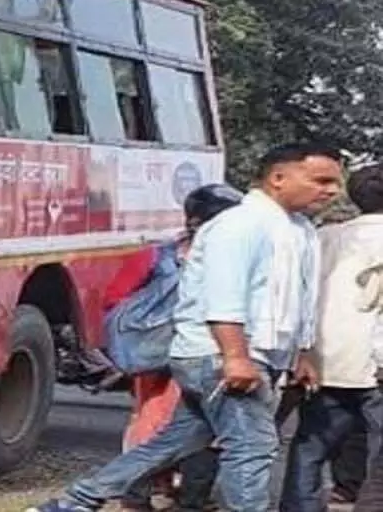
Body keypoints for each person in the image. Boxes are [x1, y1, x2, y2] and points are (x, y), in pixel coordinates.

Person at [27, 141, 344, 512]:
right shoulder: (239, 226)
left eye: (335, 183)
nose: (332, 191)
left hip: (246, 355)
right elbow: (223, 296)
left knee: (175, 443)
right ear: (278, 177)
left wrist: (303, 352)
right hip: (221, 356)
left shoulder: (301, 229)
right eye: (321, 180)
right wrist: (235, 357)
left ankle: (74, 502)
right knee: (252, 447)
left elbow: (299, 298)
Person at [108, 183, 243, 511]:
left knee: (151, 420)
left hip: (153, 354)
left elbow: (114, 299)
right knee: (205, 424)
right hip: (209, 351)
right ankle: (189, 498)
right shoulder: (236, 259)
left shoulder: (157, 253)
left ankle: (139, 493)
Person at [280, 162, 383, 512]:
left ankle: (298, 505)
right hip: (373, 362)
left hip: (323, 358)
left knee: (311, 445)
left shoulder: (323, 236)